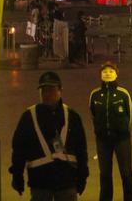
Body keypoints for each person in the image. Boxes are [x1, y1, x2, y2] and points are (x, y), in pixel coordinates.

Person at [10, 71, 89, 200]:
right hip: (40, 183)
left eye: (51, 90)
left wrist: (82, 175)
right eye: (43, 91)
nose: (47, 94)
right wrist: (17, 175)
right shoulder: (28, 117)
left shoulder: (72, 117)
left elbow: (81, 148)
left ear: (60, 90)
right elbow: (19, 149)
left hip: (67, 181)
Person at [89, 61, 132, 201]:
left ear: (116, 74)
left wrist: (122, 128)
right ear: (100, 75)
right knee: (105, 175)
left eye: (111, 71)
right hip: (103, 140)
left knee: (126, 173)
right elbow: (92, 114)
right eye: (104, 71)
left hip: (122, 139)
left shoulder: (123, 94)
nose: (107, 73)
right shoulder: (95, 94)